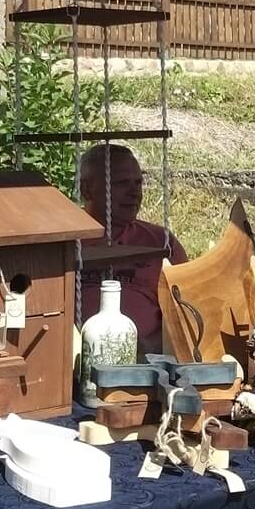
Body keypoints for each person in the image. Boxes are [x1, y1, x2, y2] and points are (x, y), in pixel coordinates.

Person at [78, 144, 186, 353]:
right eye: (121, 183)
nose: (134, 192)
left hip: (151, 359)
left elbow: (189, 309)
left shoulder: (160, 241)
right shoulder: (63, 239)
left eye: (138, 183)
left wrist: (152, 346)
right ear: (87, 189)